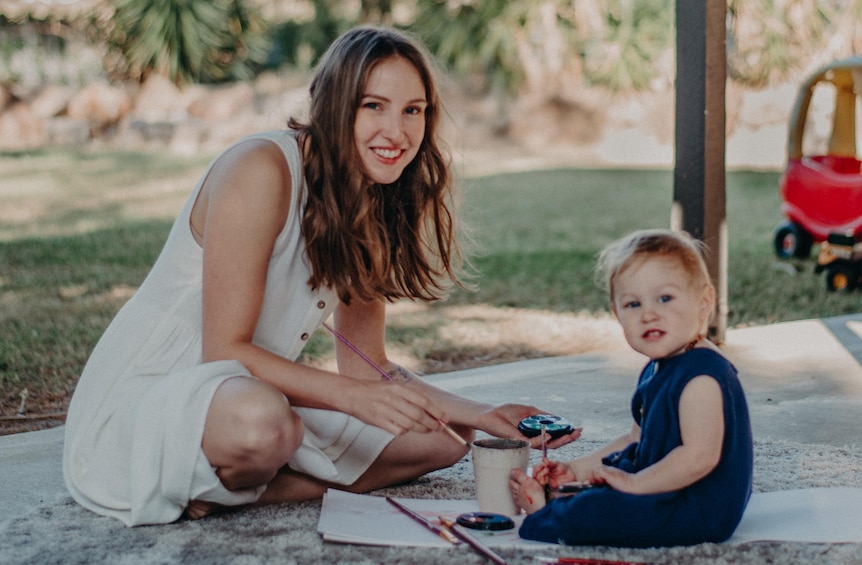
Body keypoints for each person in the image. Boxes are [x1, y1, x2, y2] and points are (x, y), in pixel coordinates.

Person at [63, 25, 575, 527]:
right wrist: (356, 401)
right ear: (334, 104)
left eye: (412, 111)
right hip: (161, 392)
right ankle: (251, 470)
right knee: (265, 425)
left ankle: (243, 489)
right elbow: (224, 351)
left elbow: (367, 370)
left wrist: (483, 413)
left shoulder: (370, 201)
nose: (397, 132)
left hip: (252, 392)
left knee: (445, 438)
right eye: (373, 106)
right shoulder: (261, 168)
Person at [509, 229, 753, 547]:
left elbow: (699, 458)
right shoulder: (657, 366)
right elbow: (634, 440)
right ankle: (565, 492)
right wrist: (576, 469)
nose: (648, 313)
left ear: (704, 302)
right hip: (662, 480)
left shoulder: (703, 376)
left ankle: (548, 514)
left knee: (604, 508)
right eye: (633, 304)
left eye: (665, 298)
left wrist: (634, 485)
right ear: (617, 314)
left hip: (699, 505)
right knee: (607, 478)